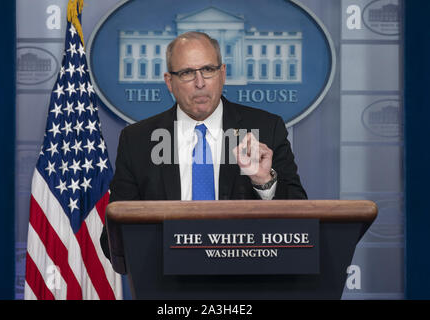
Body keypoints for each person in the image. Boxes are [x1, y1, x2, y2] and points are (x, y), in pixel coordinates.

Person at [101, 31, 307, 258]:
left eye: (208, 70)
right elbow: (113, 238)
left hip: (248, 279)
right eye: (187, 73)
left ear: (223, 74)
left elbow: (301, 222)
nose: (200, 83)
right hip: (167, 281)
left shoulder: (265, 129)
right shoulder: (138, 140)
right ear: (169, 82)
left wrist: (264, 183)